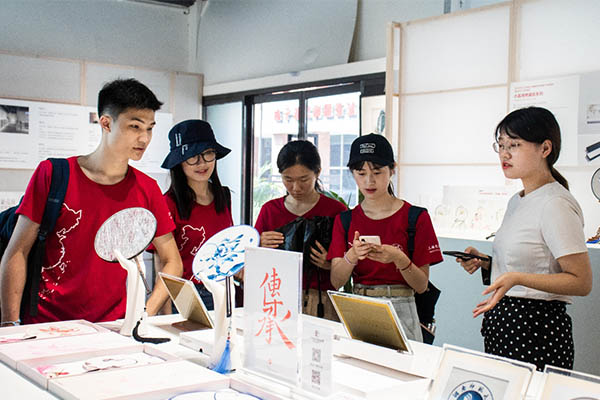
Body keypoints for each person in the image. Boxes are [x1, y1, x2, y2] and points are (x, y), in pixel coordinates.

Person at [0, 78, 182, 326]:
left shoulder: (147, 188)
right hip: (47, 324)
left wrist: (142, 314)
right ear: (106, 123)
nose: (144, 138)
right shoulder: (53, 174)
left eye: (149, 128)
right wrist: (9, 324)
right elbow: (17, 251)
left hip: (112, 327)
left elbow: (172, 261)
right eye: (135, 126)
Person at [457, 107, 592, 371]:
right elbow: (532, 263)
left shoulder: (555, 203)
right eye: (501, 145)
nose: (504, 154)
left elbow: (582, 281)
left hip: (536, 330)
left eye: (514, 145)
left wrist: (516, 278)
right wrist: (486, 263)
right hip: (505, 324)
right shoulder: (517, 200)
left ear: (545, 148)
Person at [329, 133, 443, 342]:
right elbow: (336, 281)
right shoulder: (345, 220)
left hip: (402, 306)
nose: (369, 181)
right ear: (352, 174)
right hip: (360, 306)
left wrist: (398, 258)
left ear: (392, 170)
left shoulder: (416, 217)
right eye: (361, 173)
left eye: (377, 172)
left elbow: (421, 286)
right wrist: (352, 255)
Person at [255, 140, 347, 321]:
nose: (296, 188)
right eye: (288, 180)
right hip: (277, 299)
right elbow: (252, 263)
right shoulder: (270, 211)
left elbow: (350, 263)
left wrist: (332, 265)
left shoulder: (336, 211)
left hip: (322, 301)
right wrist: (258, 245)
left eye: (304, 179)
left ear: (317, 172)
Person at [156, 119, 233, 311]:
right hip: (186, 293)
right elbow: (163, 262)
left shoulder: (224, 196)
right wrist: (166, 311)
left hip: (223, 289)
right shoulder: (168, 203)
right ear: (179, 162)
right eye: (192, 157)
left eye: (208, 153)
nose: (202, 163)